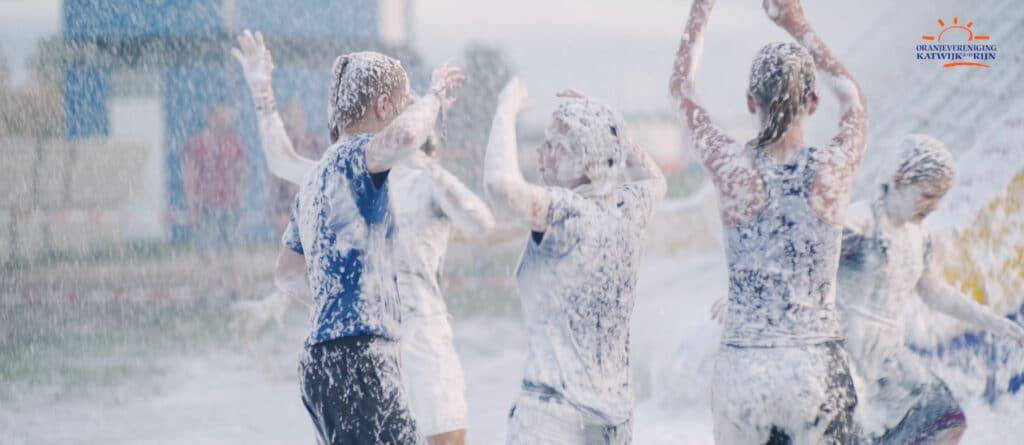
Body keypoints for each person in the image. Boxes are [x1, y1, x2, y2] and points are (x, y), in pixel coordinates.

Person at [232, 30, 483, 445]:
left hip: (320, 362)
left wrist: (339, 297)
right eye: (403, 109)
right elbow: (402, 137)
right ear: (384, 107)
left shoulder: (319, 176)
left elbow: (287, 271)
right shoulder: (360, 155)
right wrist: (435, 96)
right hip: (364, 357)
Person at [670, 0, 868, 442]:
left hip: (746, 372)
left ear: (749, 101)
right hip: (816, 370)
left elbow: (681, 89)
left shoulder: (732, 168)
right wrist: (795, 22)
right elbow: (853, 99)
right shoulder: (833, 170)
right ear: (813, 102)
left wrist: (701, 10)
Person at [484, 79, 666, 444]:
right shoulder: (629, 208)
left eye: (555, 147)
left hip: (551, 413)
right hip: (613, 415)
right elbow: (655, 177)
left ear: (585, 160)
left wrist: (505, 110)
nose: (542, 154)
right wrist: (609, 130)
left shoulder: (566, 214)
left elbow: (500, 186)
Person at [837, 135, 1024, 444]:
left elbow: (934, 292)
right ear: (899, 179)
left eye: (940, 198)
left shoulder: (918, 237)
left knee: (947, 421)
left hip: (889, 358)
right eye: (927, 195)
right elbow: (807, 260)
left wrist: (994, 322)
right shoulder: (860, 222)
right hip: (846, 356)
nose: (935, 206)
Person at [181, 102, 247, 253]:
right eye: (221, 117)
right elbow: (189, 176)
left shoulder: (233, 142)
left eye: (226, 117)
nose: (225, 120)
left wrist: (240, 195)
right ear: (210, 118)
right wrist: (191, 205)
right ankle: (213, 274)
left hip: (228, 204)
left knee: (231, 249)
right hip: (206, 205)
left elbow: (242, 172)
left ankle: (227, 274)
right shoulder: (197, 144)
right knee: (209, 250)